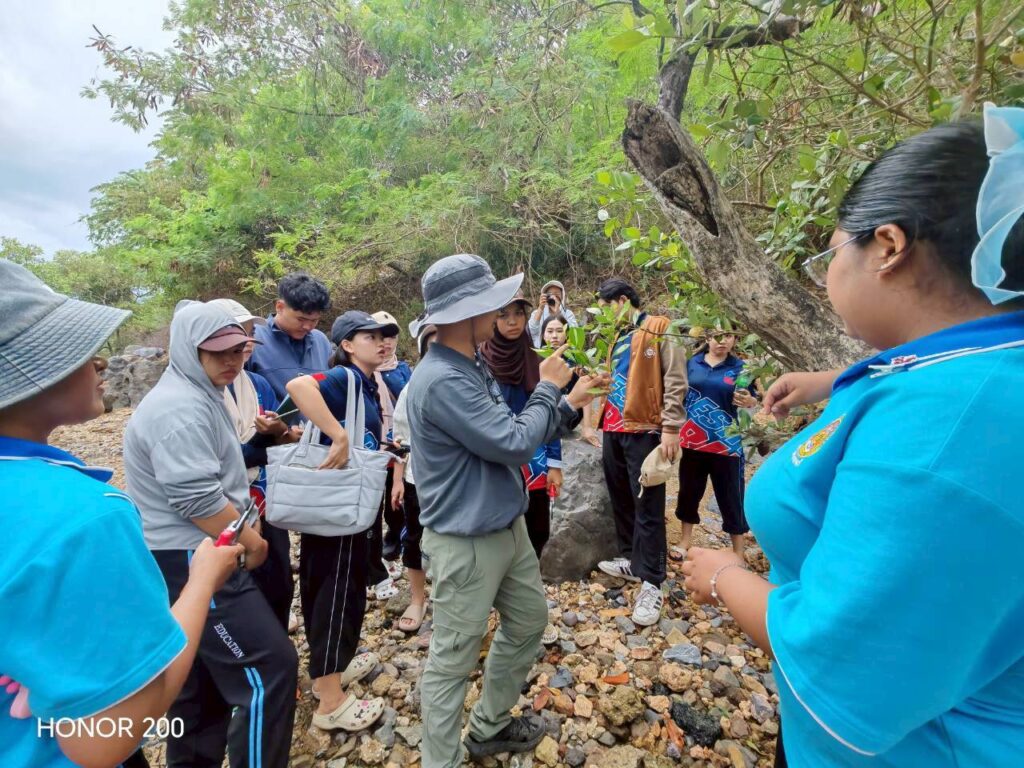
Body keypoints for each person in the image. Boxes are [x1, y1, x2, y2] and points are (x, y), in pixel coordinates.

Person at [681, 109, 1024, 768]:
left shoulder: (947, 435)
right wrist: (831, 383)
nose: (827, 274)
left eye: (831, 254)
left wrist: (724, 577)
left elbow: (840, 659)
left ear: (888, 246)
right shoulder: (975, 365)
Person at [0, 261, 242, 768]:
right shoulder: (83, 518)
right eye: (72, 349)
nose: (100, 363)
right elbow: (105, 737)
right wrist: (202, 581)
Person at [404, 254, 608, 768]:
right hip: (465, 539)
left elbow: (512, 431)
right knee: (453, 658)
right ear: (465, 313)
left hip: (505, 525)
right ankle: (441, 760)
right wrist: (550, 387)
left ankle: (489, 725)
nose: (500, 313)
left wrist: (568, 403)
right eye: (491, 304)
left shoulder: (471, 363)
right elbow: (513, 442)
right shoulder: (441, 379)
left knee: (529, 620)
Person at [124, 301, 298, 768]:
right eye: (218, 351)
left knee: (200, 688)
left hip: (186, 551)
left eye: (239, 350)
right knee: (269, 671)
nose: (232, 361)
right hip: (191, 554)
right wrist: (254, 542)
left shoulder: (198, 392)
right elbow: (196, 499)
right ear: (188, 349)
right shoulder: (179, 408)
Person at [286, 310, 401, 732]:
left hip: (348, 507)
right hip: (336, 512)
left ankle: (330, 673)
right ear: (348, 345)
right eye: (370, 336)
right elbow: (298, 387)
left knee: (345, 591)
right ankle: (330, 702)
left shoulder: (367, 384)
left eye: (386, 336)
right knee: (334, 595)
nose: (382, 342)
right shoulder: (345, 377)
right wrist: (337, 434)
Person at [594, 278, 688, 626]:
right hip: (613, 427)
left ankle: (653, 580)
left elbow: (675, 378)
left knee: (648, 503)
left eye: (606, 308)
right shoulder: (615, 337)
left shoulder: (659, 328)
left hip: (645, 428)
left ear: (622, 300)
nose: (604, 316)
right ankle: (631, 560)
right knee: (620, 496)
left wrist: (671, 426)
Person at [209, 298, 299, 631]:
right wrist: (263, 442)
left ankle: (275, 636)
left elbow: (280, 435)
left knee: (278, 576)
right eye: (236, 336)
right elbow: (221, 460)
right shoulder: (198, 395)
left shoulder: (256, 384)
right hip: (220, 503)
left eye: (248, 335)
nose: (245, 344)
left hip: (262, 493)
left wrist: (281, 432)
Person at [480, 292, 563, 559]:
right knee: (500, 531)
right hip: (497, 462)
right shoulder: (480, 364)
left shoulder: (536, 361)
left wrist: (554, 463)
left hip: (534, 459)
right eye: (503, 315)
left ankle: (532, 576)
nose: (513, 321)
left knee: (538, 529)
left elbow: (550, 412)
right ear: (492, 321)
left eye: (519, 314)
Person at [675, 329, 758, 558]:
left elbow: (752, 398)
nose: (722, 341)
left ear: (735, 339)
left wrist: (750, 401)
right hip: (692, 441)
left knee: (731, 496)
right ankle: (684, 541)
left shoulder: (741, 368)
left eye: (728, 336)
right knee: (689, 492)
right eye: (717, 336)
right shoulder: (692, 363)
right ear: (707, 338)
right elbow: (678, 394)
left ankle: (738, 552)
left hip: (726, 443)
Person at [389, 324, 438, 633]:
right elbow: (401, 438)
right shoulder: (412, 388)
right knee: (414, 538)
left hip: (457, 481)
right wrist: (397, 480)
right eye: (432, 347)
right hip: (417, 478)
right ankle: (418, 599)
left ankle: (451, 599)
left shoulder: (470, 382)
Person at [371, 310, 414, 571]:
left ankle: (394, 537)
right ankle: (373, 545)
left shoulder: (403, 370)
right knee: (373, 499)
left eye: (391, 336)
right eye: (379, 336)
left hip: (399, 443)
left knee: (397, 496)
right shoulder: (360, 371)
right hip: (373, 444)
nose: (386, 343)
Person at [246, 271, 333, 400]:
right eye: (301, 319)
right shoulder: (253, 339)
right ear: (280, 307)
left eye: (314, 321)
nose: (308, 327)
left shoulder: (321, 342)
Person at [541, 313, 601, 447]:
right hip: (542, 418)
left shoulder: (576, 359)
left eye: (559, 331)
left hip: (568, 417)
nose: (554, 336)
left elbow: (587, 391)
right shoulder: (537, 359)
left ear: (567, 335)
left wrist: (587, 427)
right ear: (543, 335)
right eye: (549, 331)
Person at [527, 279, 578, 347]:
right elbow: (531, 331)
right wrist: (540, 308)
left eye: (557, 294)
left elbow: (574, 333)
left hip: (564, 350)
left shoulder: (568, 313)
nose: (553, 297)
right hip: (542, 350)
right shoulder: (537, 313)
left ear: (562, 296)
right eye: (550, 294)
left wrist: (558, 313)